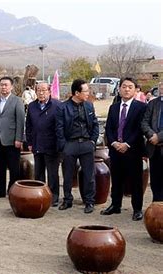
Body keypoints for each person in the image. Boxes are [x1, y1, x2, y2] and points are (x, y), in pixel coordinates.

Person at [101, 78, 146, 221]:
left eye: (130, 87)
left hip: (132, 150)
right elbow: (109, 128)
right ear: (119, 89)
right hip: (115, 150)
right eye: (124, 87)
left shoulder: (141, 107)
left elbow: (139, 129)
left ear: (135, 90)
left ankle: (137, 209)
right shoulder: (113, 107)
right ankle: (115, 205)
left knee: (136, 180)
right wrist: (114, 142)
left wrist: (127, 144)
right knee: (117, 178)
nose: (127, 89)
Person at [56, 79, 99, 214]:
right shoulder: (63, 107)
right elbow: (59, 128)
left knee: (89, 175)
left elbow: (95, 124)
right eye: (85, 91)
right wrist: (64, 146)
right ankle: (67, 199)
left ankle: (89, 201)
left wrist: (92, 141)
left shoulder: (89, 106)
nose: (88, 93)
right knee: (68, 175)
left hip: (86, 144)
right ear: (76, 92)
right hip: (70, 144)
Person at [0, 76, 25, 199]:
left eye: (6, 85)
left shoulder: (17, 101)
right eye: (1, 85)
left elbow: (20, 121)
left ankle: (13, 191)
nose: (3, 87)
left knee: (14, 168)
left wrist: (19, 138)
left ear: (11, 87)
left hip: (12, 140)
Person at [26, 82, 61, 207]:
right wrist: (29, 142)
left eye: (44, 90)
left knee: (52, 173)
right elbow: (28, 126)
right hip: (37, 144)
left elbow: (60, 127)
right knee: (38, 173)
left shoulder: (57, 105)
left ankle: (54, 196)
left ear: (49, 91)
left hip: (52, 145)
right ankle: (40, 195)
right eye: (39, 90)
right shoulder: (31, 106)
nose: (41, 93)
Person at [141, 81, 163, 202]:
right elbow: (144, 122)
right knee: (155, 180)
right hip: (154, 148)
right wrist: (151, 135)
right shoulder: (153, 103)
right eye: (161, 85)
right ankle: (157, 208)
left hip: (159, 141)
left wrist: (158, 137)